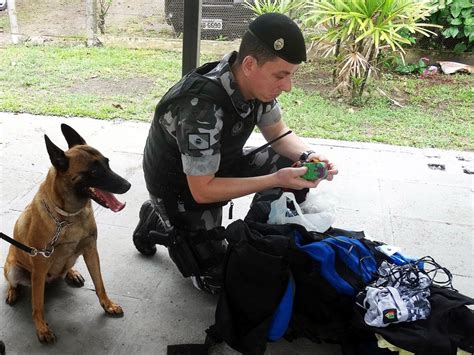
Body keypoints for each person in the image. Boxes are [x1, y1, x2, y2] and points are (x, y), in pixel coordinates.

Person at [132, 12, 338, 293]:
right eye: (281, 75)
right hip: (179, 189)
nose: (287, 86)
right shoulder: (201, 106)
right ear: (251, 64)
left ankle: (258, 233)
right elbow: (202, 191)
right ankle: (157, 221)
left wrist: (309, 155)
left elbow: (278, 133)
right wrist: (277, 179)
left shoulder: (255, 85)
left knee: (290, 161)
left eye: (290, 75)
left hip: (215, 167)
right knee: (220, 280)